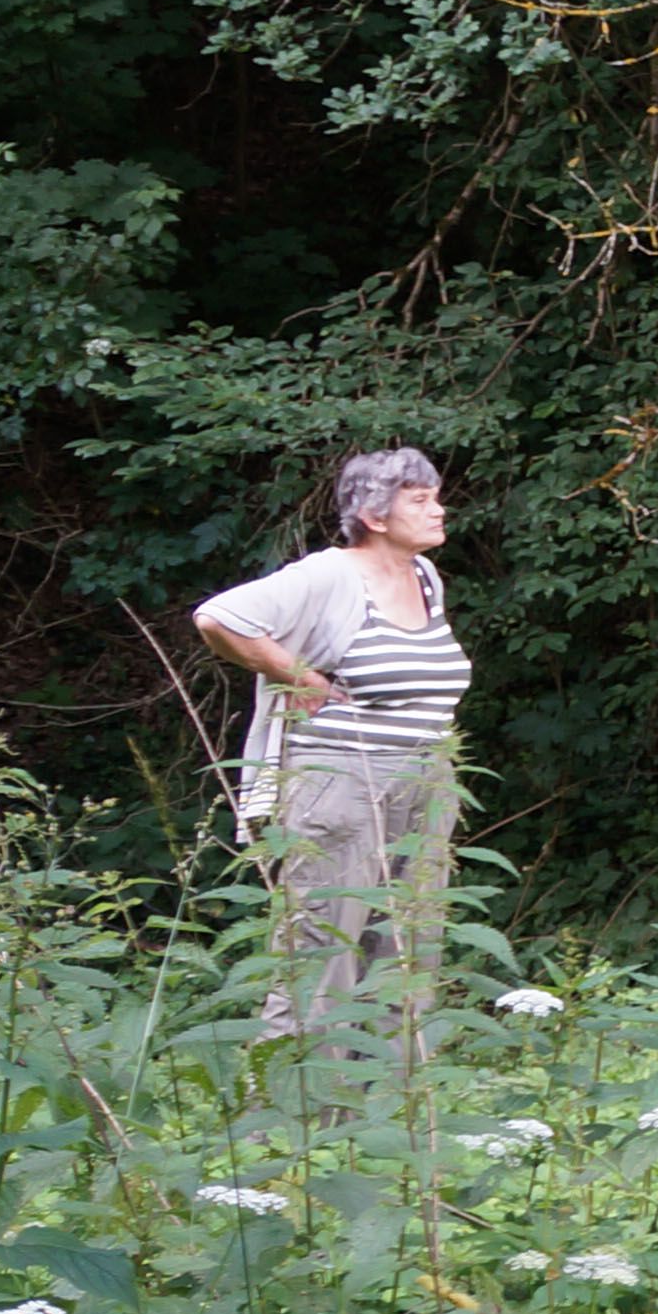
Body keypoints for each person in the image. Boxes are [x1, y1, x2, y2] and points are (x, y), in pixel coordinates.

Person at [194, 448, 471, 1059]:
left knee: (408, 949)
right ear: (375, 515)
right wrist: (300, 675)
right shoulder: (330, 575)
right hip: (341, 785)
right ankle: (292, 1123)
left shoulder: (425, 578)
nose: (438, 509)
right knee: (321, 955)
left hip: (427, 781)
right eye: (419, 500)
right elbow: (219, 617)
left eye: (435, 496)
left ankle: (390, 1123)